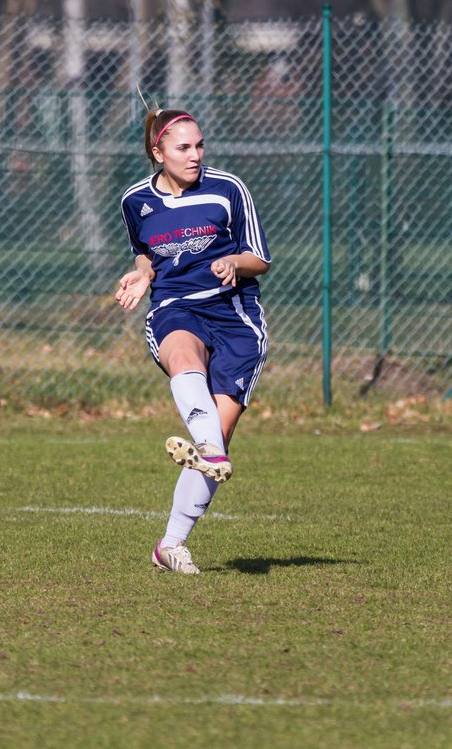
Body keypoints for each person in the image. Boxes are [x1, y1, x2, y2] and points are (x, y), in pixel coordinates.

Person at [114, 108, 271, 575]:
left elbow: (259, 258)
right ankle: (208, 444)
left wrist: (234, 265)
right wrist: (142, 276)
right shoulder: (135, 200)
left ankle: (171, 544)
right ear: (157, 152)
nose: (195, 155)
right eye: (183, 148)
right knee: (183, 358)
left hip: (235, 316)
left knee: (214, 445)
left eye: (199, 145)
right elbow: (144, 253)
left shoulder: (228, 188)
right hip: (174, 306)